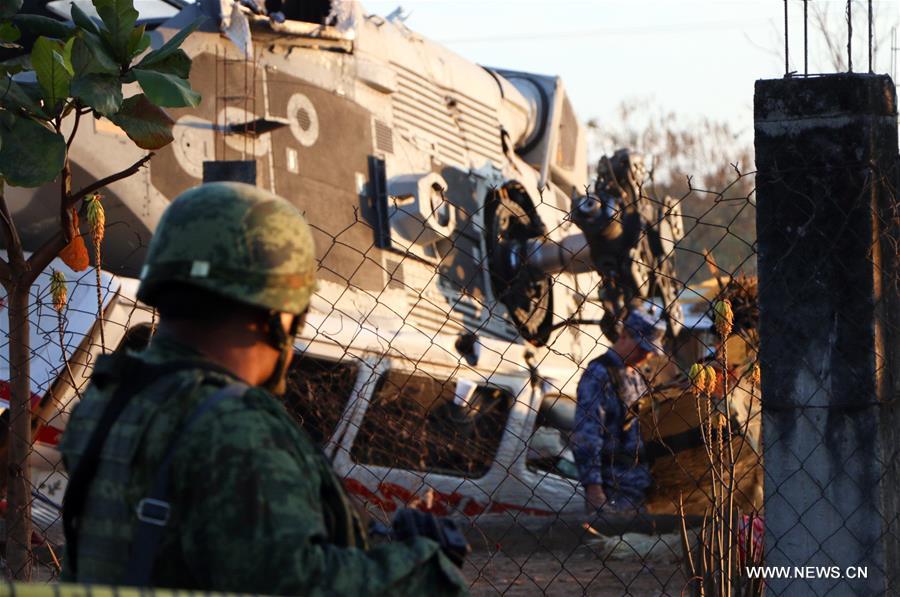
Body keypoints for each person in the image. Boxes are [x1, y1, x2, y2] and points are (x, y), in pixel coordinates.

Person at [59, 182, 468, 595]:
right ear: (277, 315)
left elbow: (197, 548)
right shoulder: (233, 427)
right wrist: (423, 565)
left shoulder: (109, 399)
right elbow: (297, 584)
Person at [572, 309, 666, 513]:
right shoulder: (599, 374)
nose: (647, 355)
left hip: (641, 484)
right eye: (642, 348)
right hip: (615, 488)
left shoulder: (637, 375)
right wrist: (594, 488)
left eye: (649, 350)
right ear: (624, 336)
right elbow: (587, 434)